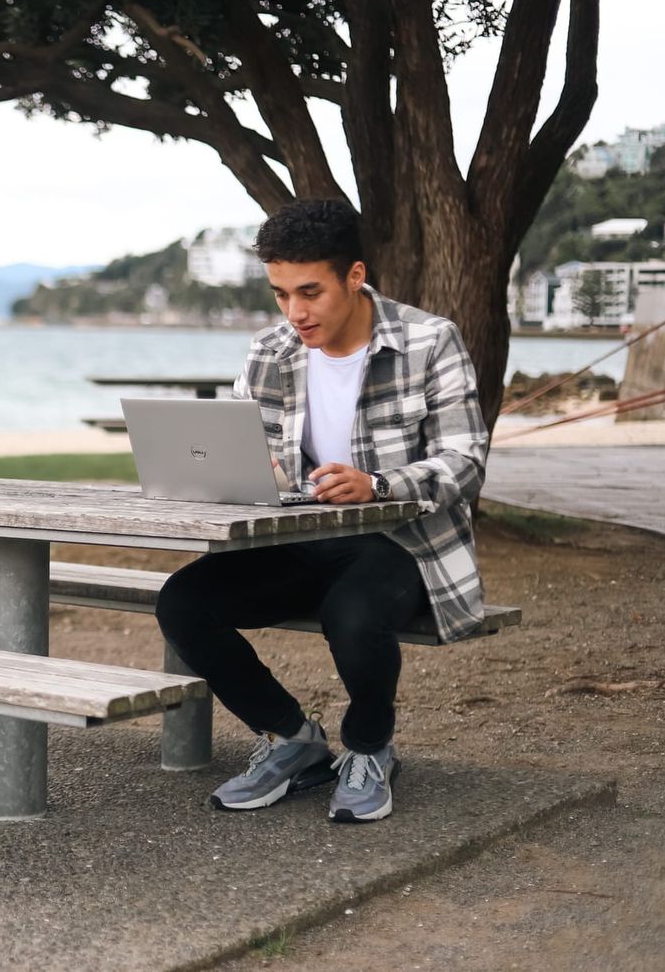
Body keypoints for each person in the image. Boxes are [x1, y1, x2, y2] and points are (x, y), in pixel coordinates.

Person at [155, 198, 489, 823]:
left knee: (353, 613)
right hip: (299, 535)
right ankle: (292, 739)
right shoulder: (271, 350)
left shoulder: (428, 340)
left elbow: (465, 460)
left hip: (400, 540)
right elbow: (243, 448)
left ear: (354, 276)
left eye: (310, 292)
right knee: (182, 602)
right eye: (280, 294)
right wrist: (250, 474)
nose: (295, 312)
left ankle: (370, 748)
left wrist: (380, 484)